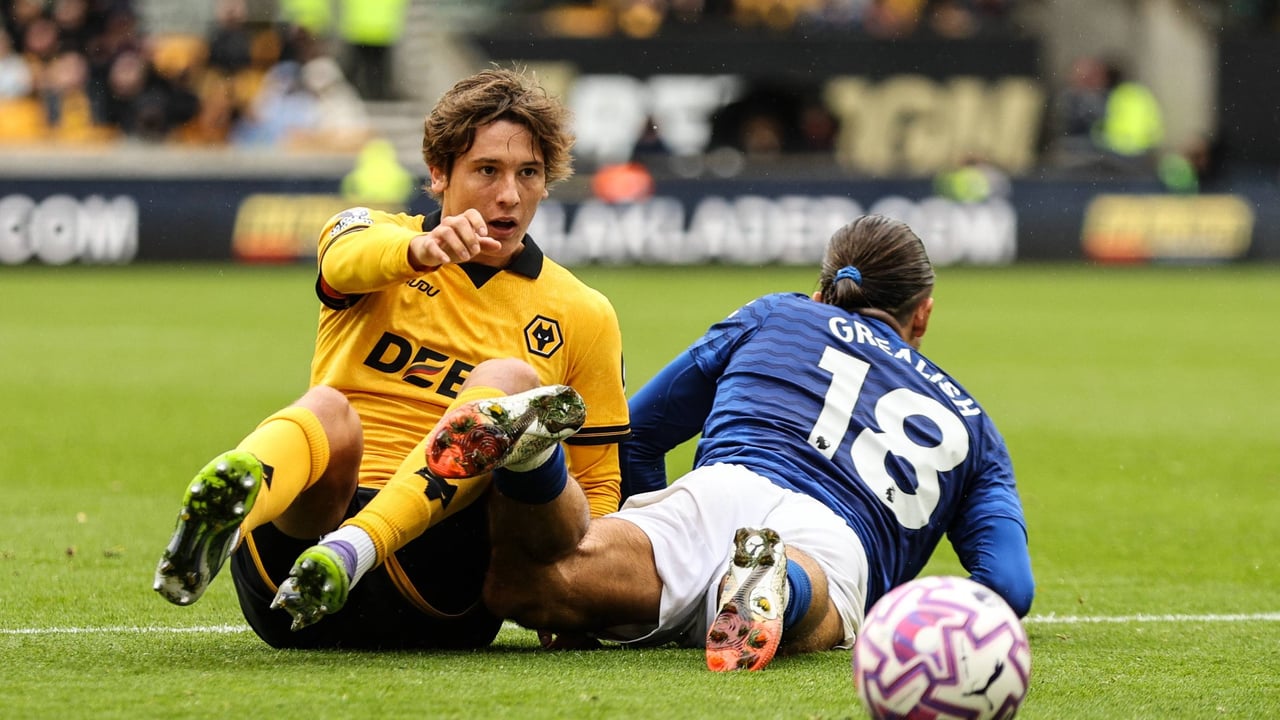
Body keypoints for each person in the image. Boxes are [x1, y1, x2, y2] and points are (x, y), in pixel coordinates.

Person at [153, 67, 631, 649]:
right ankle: (232, 513)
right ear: (438, 173)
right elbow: (342, 260)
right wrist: (416, 251)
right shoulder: (377, 242)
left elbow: (597, 478)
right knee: (329, 409)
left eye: (527, 173)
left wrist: (577, 590)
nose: (509, 194)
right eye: (487, 170)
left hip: (436, 582)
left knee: (507, 382)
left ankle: (353, 548)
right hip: (292, 567)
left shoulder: (582, 312)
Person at [465, 214, 1034, 670]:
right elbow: (1009, 585)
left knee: (525, 588)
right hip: (836, 537)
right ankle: (781, 583)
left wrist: (638, 539)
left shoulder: (778, 314)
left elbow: (635, 435)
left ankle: (535, 459)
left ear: (824, 290)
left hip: (720, 490)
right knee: (815, 599)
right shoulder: (973, 427)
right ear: (923, 314)